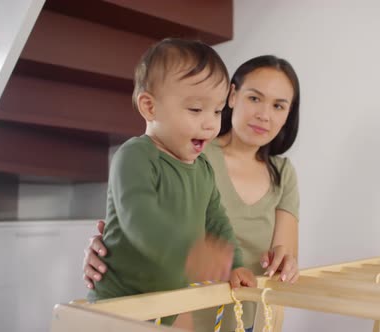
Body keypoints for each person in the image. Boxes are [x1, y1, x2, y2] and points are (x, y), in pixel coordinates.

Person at [83, 55, 301, 332]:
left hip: (242, 316)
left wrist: (241, 264)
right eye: (255, 98)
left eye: (279, 106)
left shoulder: (278, 172)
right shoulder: (185, 148)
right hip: (177, 311)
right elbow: (136, 216)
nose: (264, 114)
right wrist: (103, 247)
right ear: (233, 96)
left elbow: (219, 221)